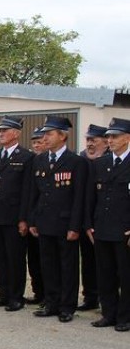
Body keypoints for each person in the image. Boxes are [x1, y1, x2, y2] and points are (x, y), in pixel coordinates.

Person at [29, 115, 88, 323]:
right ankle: (51, 302)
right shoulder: (40, 159)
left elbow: (79, 197)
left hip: (65, 224)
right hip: (44, 222)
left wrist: (75, 226)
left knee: (67, 266)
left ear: (62, 136)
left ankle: (67, 306)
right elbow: (35, 194)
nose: (45, 137)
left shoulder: (76, 162)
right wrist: (33, 220)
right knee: (48, 265)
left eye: (50, 133)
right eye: (44, 133)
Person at [0, 116, 34, 312]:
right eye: (0, 131)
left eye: (5, 130)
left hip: (14, 217)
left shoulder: (26, 157)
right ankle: (2, 293)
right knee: (0, 258)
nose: (1, 134)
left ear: (17, 133)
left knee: (15, 258)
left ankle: (15, 296)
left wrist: (24, 219)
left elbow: (27, 191)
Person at [85, 118, 130, 332]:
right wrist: (89, 224)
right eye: (109, 136)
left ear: (127, 138)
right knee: (105, 274)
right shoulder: (101, 163)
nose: (110, 140)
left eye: (115, 136)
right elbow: (91, 197)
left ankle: (125, 316)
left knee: (126, 275)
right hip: (101, 228)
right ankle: (108, 314)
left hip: (124, 230)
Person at [77, 124, 109, 311]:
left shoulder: (109, 161)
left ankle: (110, 300)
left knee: (107, 264)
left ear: (105, 142)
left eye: (93, 140)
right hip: (84, 220)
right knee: (87, 261)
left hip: (105, 220)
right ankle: (90, 297)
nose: (89, 144)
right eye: (88, 140)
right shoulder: (82, 159)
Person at [24, 127, 46, 306]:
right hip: (33, 218)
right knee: (33, 260)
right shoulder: (31, 161)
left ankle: (49, 295)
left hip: (48, 220)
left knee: (47, 260)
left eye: (40, 142)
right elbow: (28, 193)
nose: (37, 145)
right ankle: (38, 292)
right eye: (35, 142)